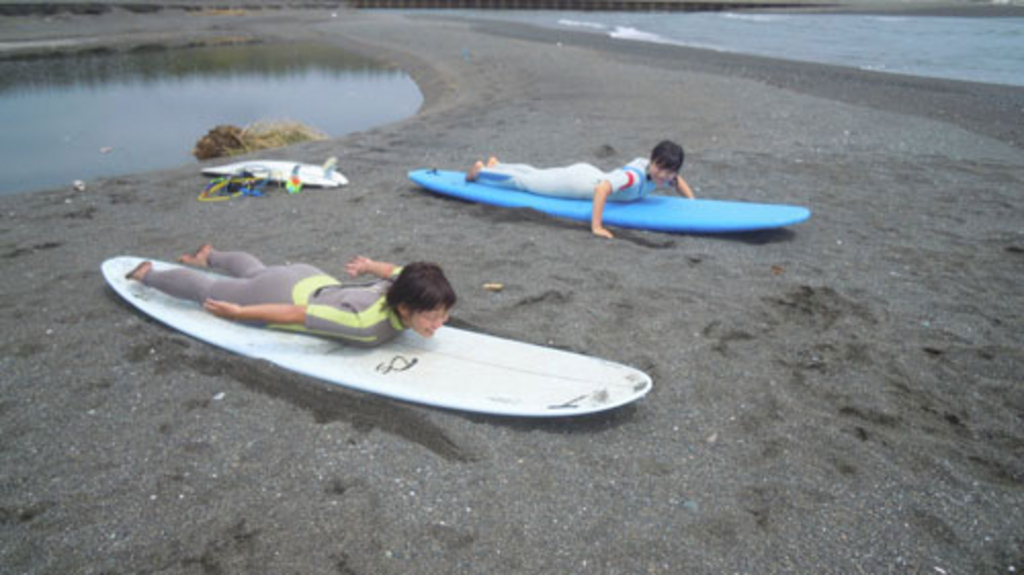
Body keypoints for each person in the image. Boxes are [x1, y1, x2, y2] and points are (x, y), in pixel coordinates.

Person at [124, 245, 456, 348]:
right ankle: (146, 274)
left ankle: (210, 255)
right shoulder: (362, 324)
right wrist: (239, 312)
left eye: (443, 314)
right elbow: (298, 313)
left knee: (257, 270)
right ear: (404, 307)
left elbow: (394, 271)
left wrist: (369, 265)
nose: (438, 324)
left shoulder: (407, 285)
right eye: (431, 317)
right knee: (207, 291)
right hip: (282, 293)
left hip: (312, 277)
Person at [466, 140, 696, 239]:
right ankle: (480, 173)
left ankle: (498, 165)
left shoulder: (663, 175)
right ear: (651, 160)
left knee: (537, 173)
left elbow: (677, 181)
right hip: (578, 185)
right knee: (527, 183)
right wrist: (596, 226)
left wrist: (693, 203)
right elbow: (603, 189)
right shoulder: (633, 178)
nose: (663, 175)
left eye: (669, 171)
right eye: (660, 168)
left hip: (587, 174)